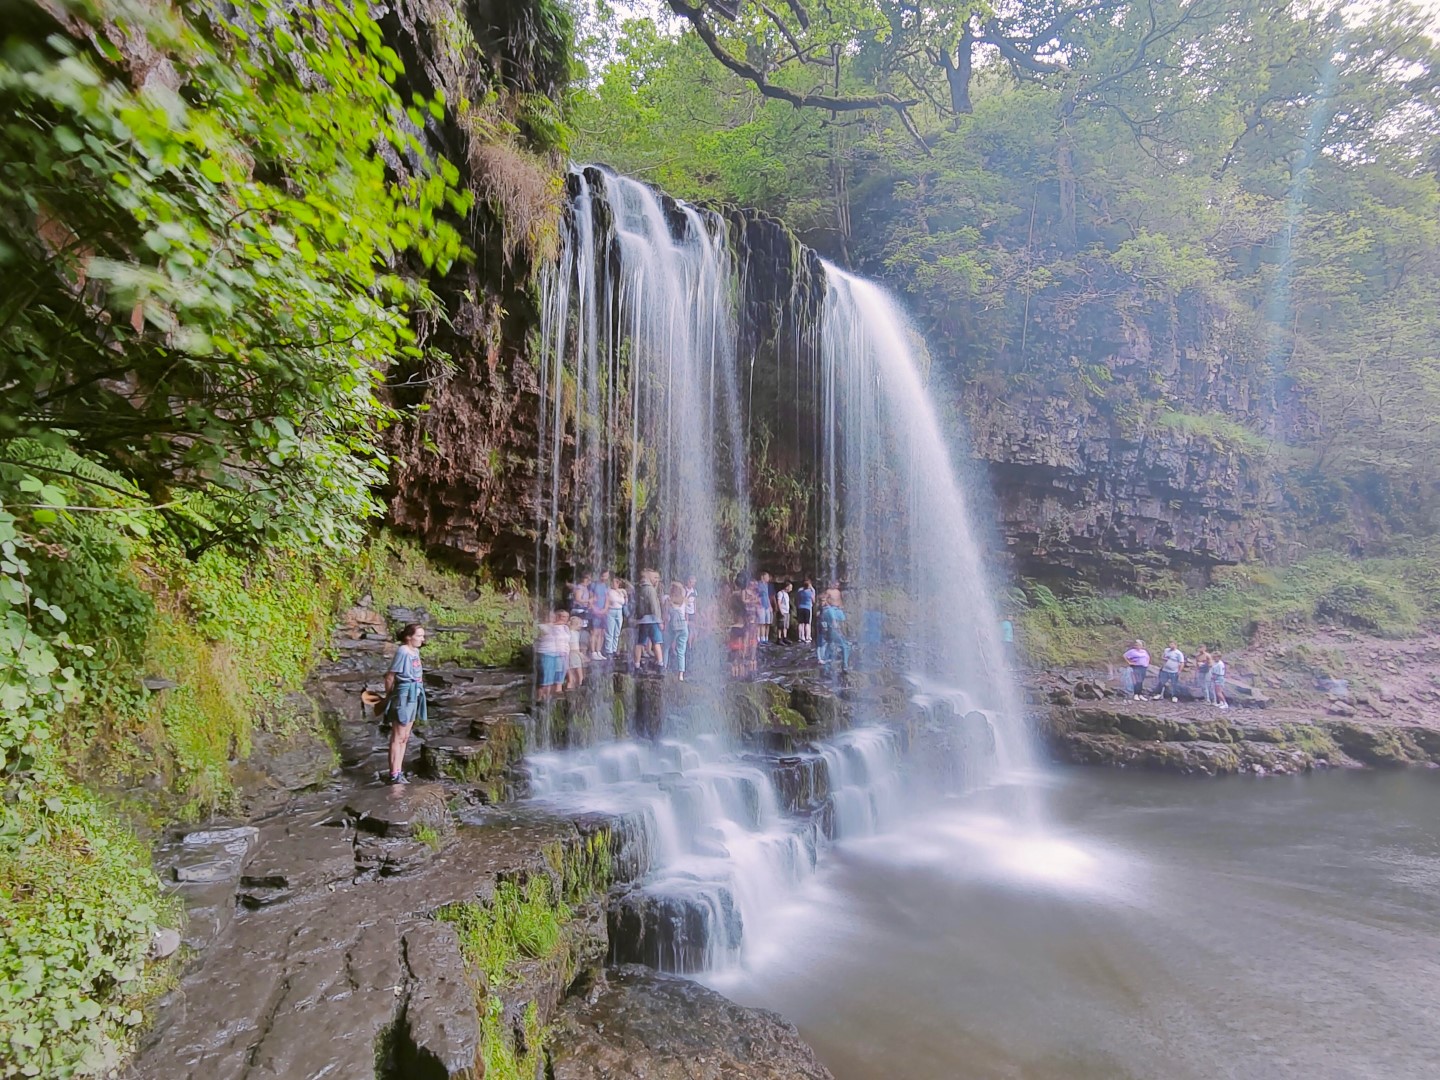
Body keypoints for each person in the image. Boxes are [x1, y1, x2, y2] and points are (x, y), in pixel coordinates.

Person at [382, 623, 427, 785]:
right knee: (398, 735)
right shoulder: (403, 651)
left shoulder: (415, 651)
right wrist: (389, 697)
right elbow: (390, 676)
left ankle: (398, 771)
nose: (423, 639)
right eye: (419, 636)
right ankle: (394, 774)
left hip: (414, 694)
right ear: (409, 637)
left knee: (405, 736)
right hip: (403, 695)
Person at [633, 569, 665, 671]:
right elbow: (654, 606)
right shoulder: (650, 589)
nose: (657, 580)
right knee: (656, 642)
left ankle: (636, 665)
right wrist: (659, 620)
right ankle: (660, 664)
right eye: (655, 578)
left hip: (642, 620)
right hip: (652, 620)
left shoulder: (639, 588)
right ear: (649, 578)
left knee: (640, 643)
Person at [536, 609, 569, 701]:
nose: (553, 618)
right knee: (546, 678)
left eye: (554, 616)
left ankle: (550, 697)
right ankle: (540, 698)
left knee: (554, 677)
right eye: (551, 616)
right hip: (546, 653)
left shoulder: (560, 627)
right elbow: (547, 631)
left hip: (556, 654)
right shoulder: (541, 626)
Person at [817, 589, 851, 673]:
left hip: (826, 632)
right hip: (832, 631)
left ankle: (826, 667)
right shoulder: (830, 610)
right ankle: (845, 666)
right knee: (845, 646)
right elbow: (835, 622)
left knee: (829, 646)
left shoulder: (821, 611)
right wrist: (839, 631)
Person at [666, 581, 689, 680]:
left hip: (673, 627)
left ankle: (664, 668)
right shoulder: (684, 600)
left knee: (666, 647)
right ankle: (681, 674)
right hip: (683, 627)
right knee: (681, 651)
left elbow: (666, 616)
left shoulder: (669, 601)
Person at [588, 571, 610, 660]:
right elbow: (590, 598)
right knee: (594, 632)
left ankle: (599, 651)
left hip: (604, 612)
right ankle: (593, 652)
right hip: (595, 612)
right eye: (605, 576)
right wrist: (595, 609)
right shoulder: (593, 585)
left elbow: (607, 599)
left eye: (607, 576)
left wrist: (605, 609)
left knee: (601, 633)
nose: (606, 578)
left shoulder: (606, 586)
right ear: (601, 575)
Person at [604, 577, 627, 658]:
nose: (615, 584)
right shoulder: (608, 591)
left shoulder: (621, 591)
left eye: (617, 582)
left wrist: (625, 595)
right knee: (610, 631)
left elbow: (624, 602)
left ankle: (614, 649)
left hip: (619, 611)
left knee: (617, 631)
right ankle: (608, 650)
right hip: (611, 610)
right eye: (614, 582)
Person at [566, 615, 586, 691]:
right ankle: (579, 690)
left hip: (570, 655)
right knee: (579, 675)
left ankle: (571, 690)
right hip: (574, 655)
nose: (581, 626)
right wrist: (581, 655)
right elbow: (573, 647)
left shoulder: (571, 633)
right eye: (580, 624)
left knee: (572, 675)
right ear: (576, 625)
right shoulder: (573, 634)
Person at [795, 578, 815, 644]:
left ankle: (801, 637)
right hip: (807, 608)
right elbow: (813, 600)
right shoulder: (810, 592)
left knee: (800, 623)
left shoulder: (800, 591)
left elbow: (797, 599)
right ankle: (807, 637)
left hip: (800, 607)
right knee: (807, 623)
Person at [757, 572, 774, 644]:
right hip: (761, 606)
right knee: (761, 623)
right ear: (763, 577)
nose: (768, 578)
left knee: (767, 622)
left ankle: (765, 638)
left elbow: (767, 596)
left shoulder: (766, 585)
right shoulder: (759, 585)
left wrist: (770, 606)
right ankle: (759, 638)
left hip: (767, 606)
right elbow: (757, 595)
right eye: (767, 576)